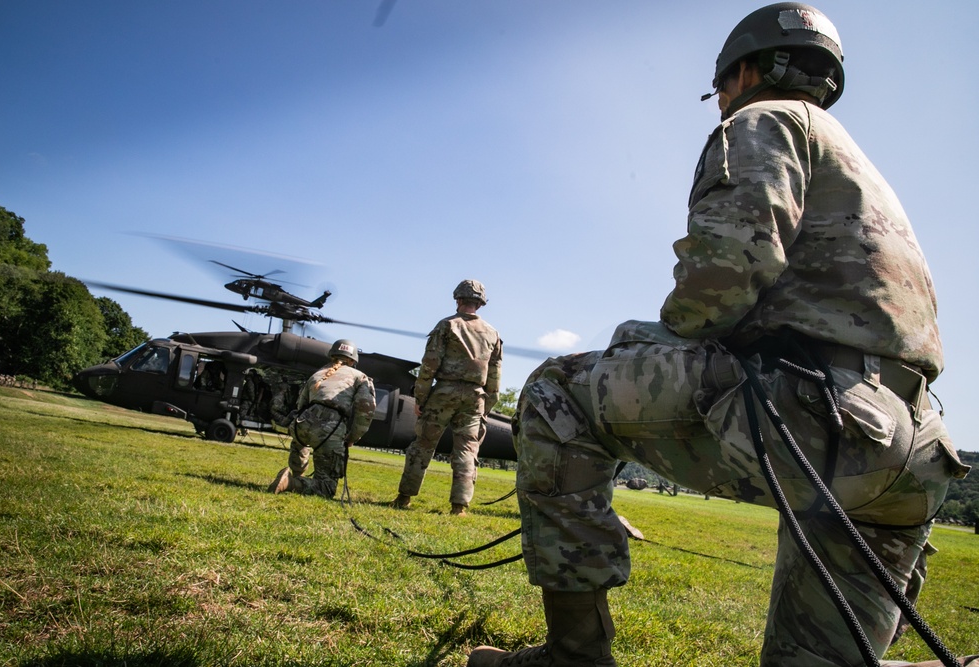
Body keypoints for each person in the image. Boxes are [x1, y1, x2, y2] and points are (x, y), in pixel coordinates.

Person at [468, 4, 974, 667]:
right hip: (912, 452)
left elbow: (733, 265)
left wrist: (649, 339)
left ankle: (573, 654)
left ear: (743, 71)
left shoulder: (764, 120)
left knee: (557, 391)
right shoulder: (859, 167)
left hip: (815, 422)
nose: (722, 103)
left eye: (722, 88)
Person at [392, 279, 503, 516]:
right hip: (475, 397)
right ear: (481, 303)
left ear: (458, 299)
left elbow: (429, 365)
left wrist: (420, 397)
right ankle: (459, 506)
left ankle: (404, 498)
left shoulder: (447, 325)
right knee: (467, 450)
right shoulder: (493, 333)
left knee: (423, 445)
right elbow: (495, 375)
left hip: (444, 393)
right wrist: (487, 405)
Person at [268, 339, 376, 499]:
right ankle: (290, 483)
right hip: (329, 430)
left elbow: (301, 406)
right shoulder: (360, 377)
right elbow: (366, 409)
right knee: (326, 488)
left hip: (301, 426)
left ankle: (297, 474)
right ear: (353, 360)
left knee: (303, 439)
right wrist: (352, 436)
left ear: (331, 355)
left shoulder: (316, 375)